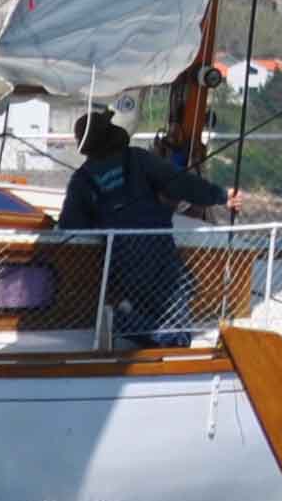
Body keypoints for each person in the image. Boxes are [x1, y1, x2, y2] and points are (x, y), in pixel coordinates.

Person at [60, 110, 231, 341]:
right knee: (180, 333)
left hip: (122, 259)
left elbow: (70, 226)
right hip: (158, 250)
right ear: (110, 133)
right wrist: (221, 196)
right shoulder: (138, 159)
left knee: (167, 310)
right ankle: (121, 323)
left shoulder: (81, 180)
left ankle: (124, 321)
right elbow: (181, 184)